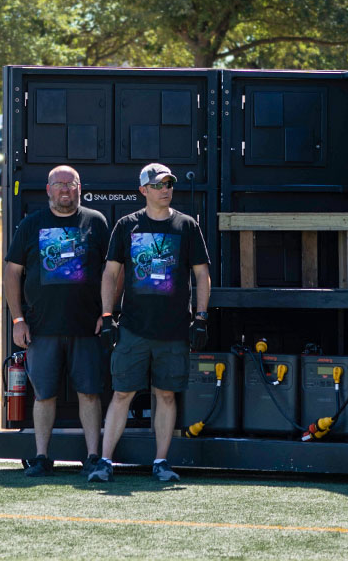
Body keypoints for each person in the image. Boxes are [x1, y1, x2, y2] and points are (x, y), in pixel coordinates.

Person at [87, 163, 211, 483]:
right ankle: (104, 462)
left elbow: (201, 274)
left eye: (168, 183)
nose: (165, 189)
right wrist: (107, 315)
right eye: (158, 185)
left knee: (166, 395)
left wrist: (201, 317)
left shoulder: (186, 226)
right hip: (133, 328)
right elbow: (110, 273)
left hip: (173, 330)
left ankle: (161, 462)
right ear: (143, 190)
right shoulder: (127, 226)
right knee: (122, 394)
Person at [4, 165, 110, 476]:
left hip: (86, 325)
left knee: (90, 393)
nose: (65, 189)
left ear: (80, 188)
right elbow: (12, 272)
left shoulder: (96, 222)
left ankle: (92, 456)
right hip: (41, 327)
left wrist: (107, 312)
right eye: (59, 184)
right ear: (48, 189)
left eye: (71, 184)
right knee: (44, 394)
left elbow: (112, 271)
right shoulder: (31, 224)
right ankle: (41, 456)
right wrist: (18, 320)